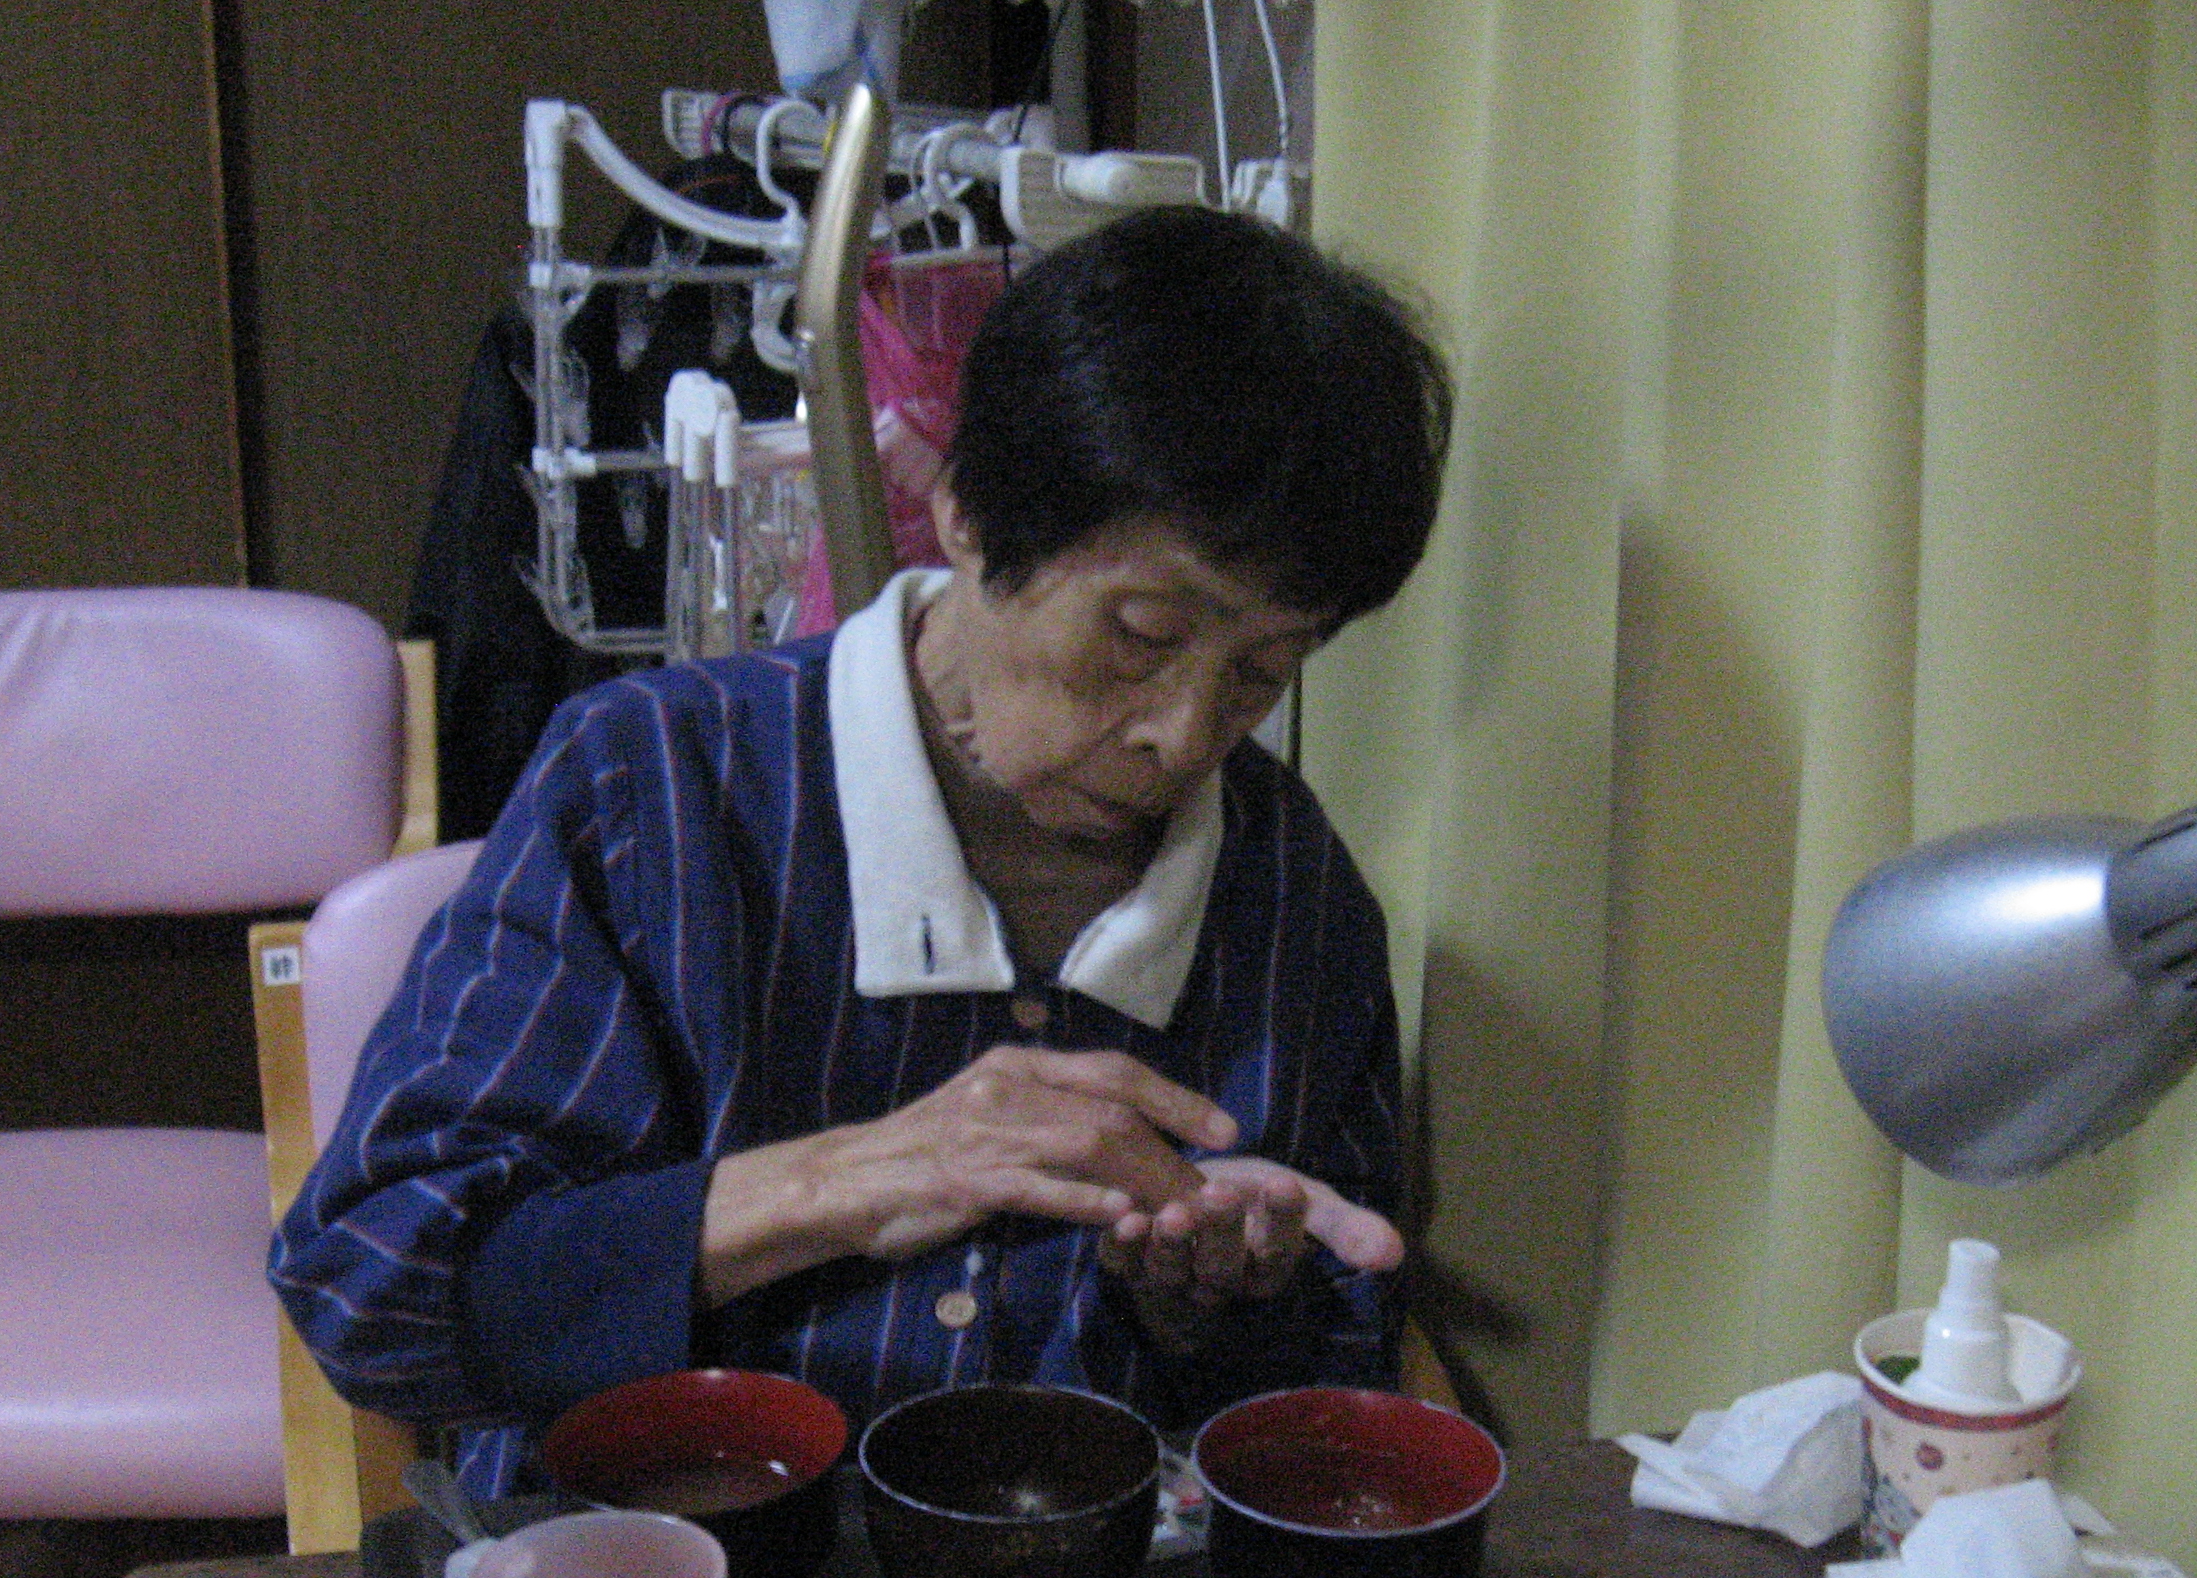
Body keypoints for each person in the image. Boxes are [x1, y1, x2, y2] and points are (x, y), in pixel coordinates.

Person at [272, 205, 1453, 1496]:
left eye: (1262, 670)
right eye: (1141, 632)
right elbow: (372, 1287)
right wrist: (859, 1174)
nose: (1183, 735)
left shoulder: (1289, 892)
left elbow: (1339, 1378)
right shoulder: (655, 790)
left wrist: (1209, 1313)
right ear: (968, 514)